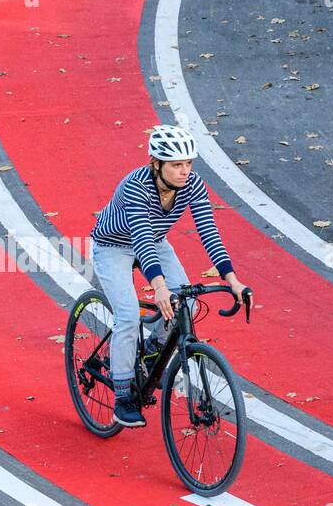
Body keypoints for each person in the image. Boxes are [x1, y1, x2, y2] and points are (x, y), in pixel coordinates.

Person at [88, 124, 247, 428]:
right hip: (114, 246)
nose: (184, 171)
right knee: (128, 317)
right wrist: (159, 286)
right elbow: (141, 238)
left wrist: (232, 279)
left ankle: (150, 352)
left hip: (156, 241)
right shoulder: (135, 186)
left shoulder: (193, 185)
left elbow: (209, 233)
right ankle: (123, 397)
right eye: (176, 165)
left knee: (187, 304)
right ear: (156, 164)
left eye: (188, 163)